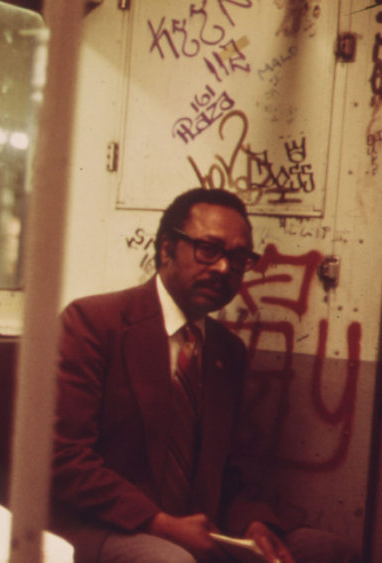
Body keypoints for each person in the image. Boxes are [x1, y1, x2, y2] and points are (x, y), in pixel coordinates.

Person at [51, 188, 360, 563]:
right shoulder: (94, 323)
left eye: (239, 257)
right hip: (107, 526)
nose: (224, 269)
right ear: (166, 249)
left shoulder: (225, 350)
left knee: (327, 551)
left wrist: (254, 524)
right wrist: (159, 523)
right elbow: (64, 456)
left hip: (200, 528)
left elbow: (229, 471)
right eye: (208, 250)